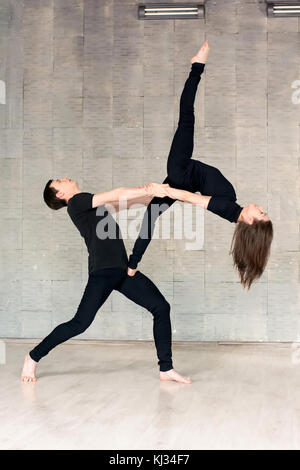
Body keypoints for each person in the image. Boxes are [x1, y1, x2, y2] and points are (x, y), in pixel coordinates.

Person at [127, 41, 273, 289]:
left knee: (187, 116)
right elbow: (192, 197)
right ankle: (132, 265)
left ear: (250, 221)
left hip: (181, 171)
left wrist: (165, 191)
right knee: (150, 215)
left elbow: (194, 199)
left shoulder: (226, 206)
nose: (259, 207)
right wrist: (166, 191)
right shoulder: (231, 210)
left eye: (260, 212)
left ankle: (197, 66)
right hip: (183, 178)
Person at [21, 179, 192, 384]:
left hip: (122, 270)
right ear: (59, 195)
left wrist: (162, 193)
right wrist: (147, 189)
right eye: (59, 181)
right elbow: (118, 193)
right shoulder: (77, 202)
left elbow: (130, 202)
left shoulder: (90, 205)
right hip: (102, 272)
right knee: (79, 323)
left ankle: (166, 368)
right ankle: (33, 356)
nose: (64, 178)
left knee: (161, 307)